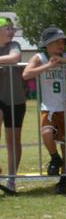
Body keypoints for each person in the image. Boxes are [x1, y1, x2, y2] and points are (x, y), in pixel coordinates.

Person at [22, 26, 66, 194]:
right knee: (46, 133)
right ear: (47, 44)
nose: (61, 45)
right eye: (57, 42)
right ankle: (55, 158)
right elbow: (26, 74)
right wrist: (48, 65)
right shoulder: (40, 57)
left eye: (63, 42)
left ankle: (64, 179)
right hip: (49, 107)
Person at [0, 16, 25, 195]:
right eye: (7, 28)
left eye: (12, 28)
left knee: (13, 141)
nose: (11, 31)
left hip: (15, 99)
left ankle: (11, 180)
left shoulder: (14, 45)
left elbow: (15, 58)